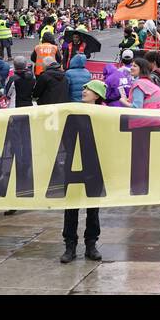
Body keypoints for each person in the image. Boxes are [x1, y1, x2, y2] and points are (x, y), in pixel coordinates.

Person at [60, 80, 107, 264]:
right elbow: (65, 138)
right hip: (73, 166)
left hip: (95, 166)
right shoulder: (74, 113)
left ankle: (91, 245)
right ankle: (70, 245)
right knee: (71, 207)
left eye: (89, 89)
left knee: (93, 208)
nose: (84, 91)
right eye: (84, 88)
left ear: (97, 95)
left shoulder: (105, 115)